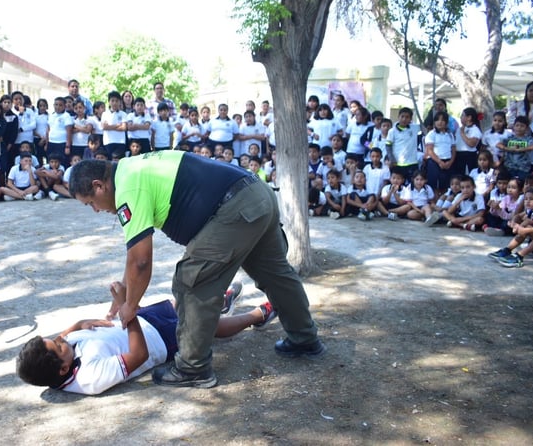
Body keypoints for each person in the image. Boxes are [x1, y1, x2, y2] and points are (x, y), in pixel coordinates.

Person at [68, 152, 325, 388]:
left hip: (234, 207)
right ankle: (304, 338)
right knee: (276, 275)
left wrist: (130, 306)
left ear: (98, 186)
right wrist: (124, 292)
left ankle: (193, 368)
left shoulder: (128, 186)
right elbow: (134, 254)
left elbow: (141, 261)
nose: (96, 209)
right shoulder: (132, 168)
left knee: (190, 282)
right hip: (257, 194)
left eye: (91, 202)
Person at [16, 281, 276, 395]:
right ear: (63, 368)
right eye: (60, 345)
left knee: (183, 302)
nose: (64, 339)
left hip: (141, 321)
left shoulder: (57, 362)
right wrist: (128, 315)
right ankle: (258, 315)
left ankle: (218, 301)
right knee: (210, 326)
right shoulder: (89, 378)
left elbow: (60, 338)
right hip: (158, 341)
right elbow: (137, 356)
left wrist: (78, 324)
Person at [487, 187, 533, 267]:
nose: (527, 201)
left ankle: (519, 256)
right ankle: (507, 250)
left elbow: (528, 222)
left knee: (531, 230)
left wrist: (523, 229)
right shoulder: (531, 209)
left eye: (531, 199)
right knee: (526, 227)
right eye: (526, 199)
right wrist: (514, 222)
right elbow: (518, 216)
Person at [424, 111, 456, 194]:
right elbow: (430, 151)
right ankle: (435, 204)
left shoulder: (450, 134)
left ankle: (443, 203)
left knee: (445, 185)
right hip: (435, 162)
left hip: (448, 162)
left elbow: (453, 149)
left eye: (442, 120)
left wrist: (450, 162)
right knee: (434, 185)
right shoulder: (431, 134)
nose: (440, 122)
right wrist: (440, 162)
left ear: (446, 122)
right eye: (437, 120)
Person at [386, 107, 421, 183]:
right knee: (397, 184)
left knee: (412, 184)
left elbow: (426, 126)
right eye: (402, 116)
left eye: (407, 117)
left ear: (411, 119)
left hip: (412, 162)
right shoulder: (392, 131)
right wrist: (392, 159)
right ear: (398, 117)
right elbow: (388, 146)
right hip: (398, 163)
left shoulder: (414, 128)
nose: (404, 119)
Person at [497, 115, 533, 181]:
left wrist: (519, 149)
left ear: (526, 128)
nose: (519, 128)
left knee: (521, 183)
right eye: (517, 125)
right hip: (509, 166)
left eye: (522, 126)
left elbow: (532, 147)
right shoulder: (510, 138)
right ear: (513, 127)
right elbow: (498, 145)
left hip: (523, 168)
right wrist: (509, 149)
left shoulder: (528, 139)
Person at [454, 107, 482, 175]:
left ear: (469, 117)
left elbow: (472, 144)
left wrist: (462, 133)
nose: (461, 117)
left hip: (469, 156)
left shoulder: (475, 129)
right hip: (458, 155)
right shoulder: (459, 129)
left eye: (462, 115)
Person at [101, 91, 127, 158]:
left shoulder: (123, 114)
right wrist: (118, 125)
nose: (114, 103)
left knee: (120, 163)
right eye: (112, 101)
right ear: (109, 102)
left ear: (120, 102)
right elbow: (104, 127)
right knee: (109, 164)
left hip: (120, 141)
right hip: (108, 141)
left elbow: (124, 128)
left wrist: (109, 126)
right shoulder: (105, 114)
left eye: (116, 101)